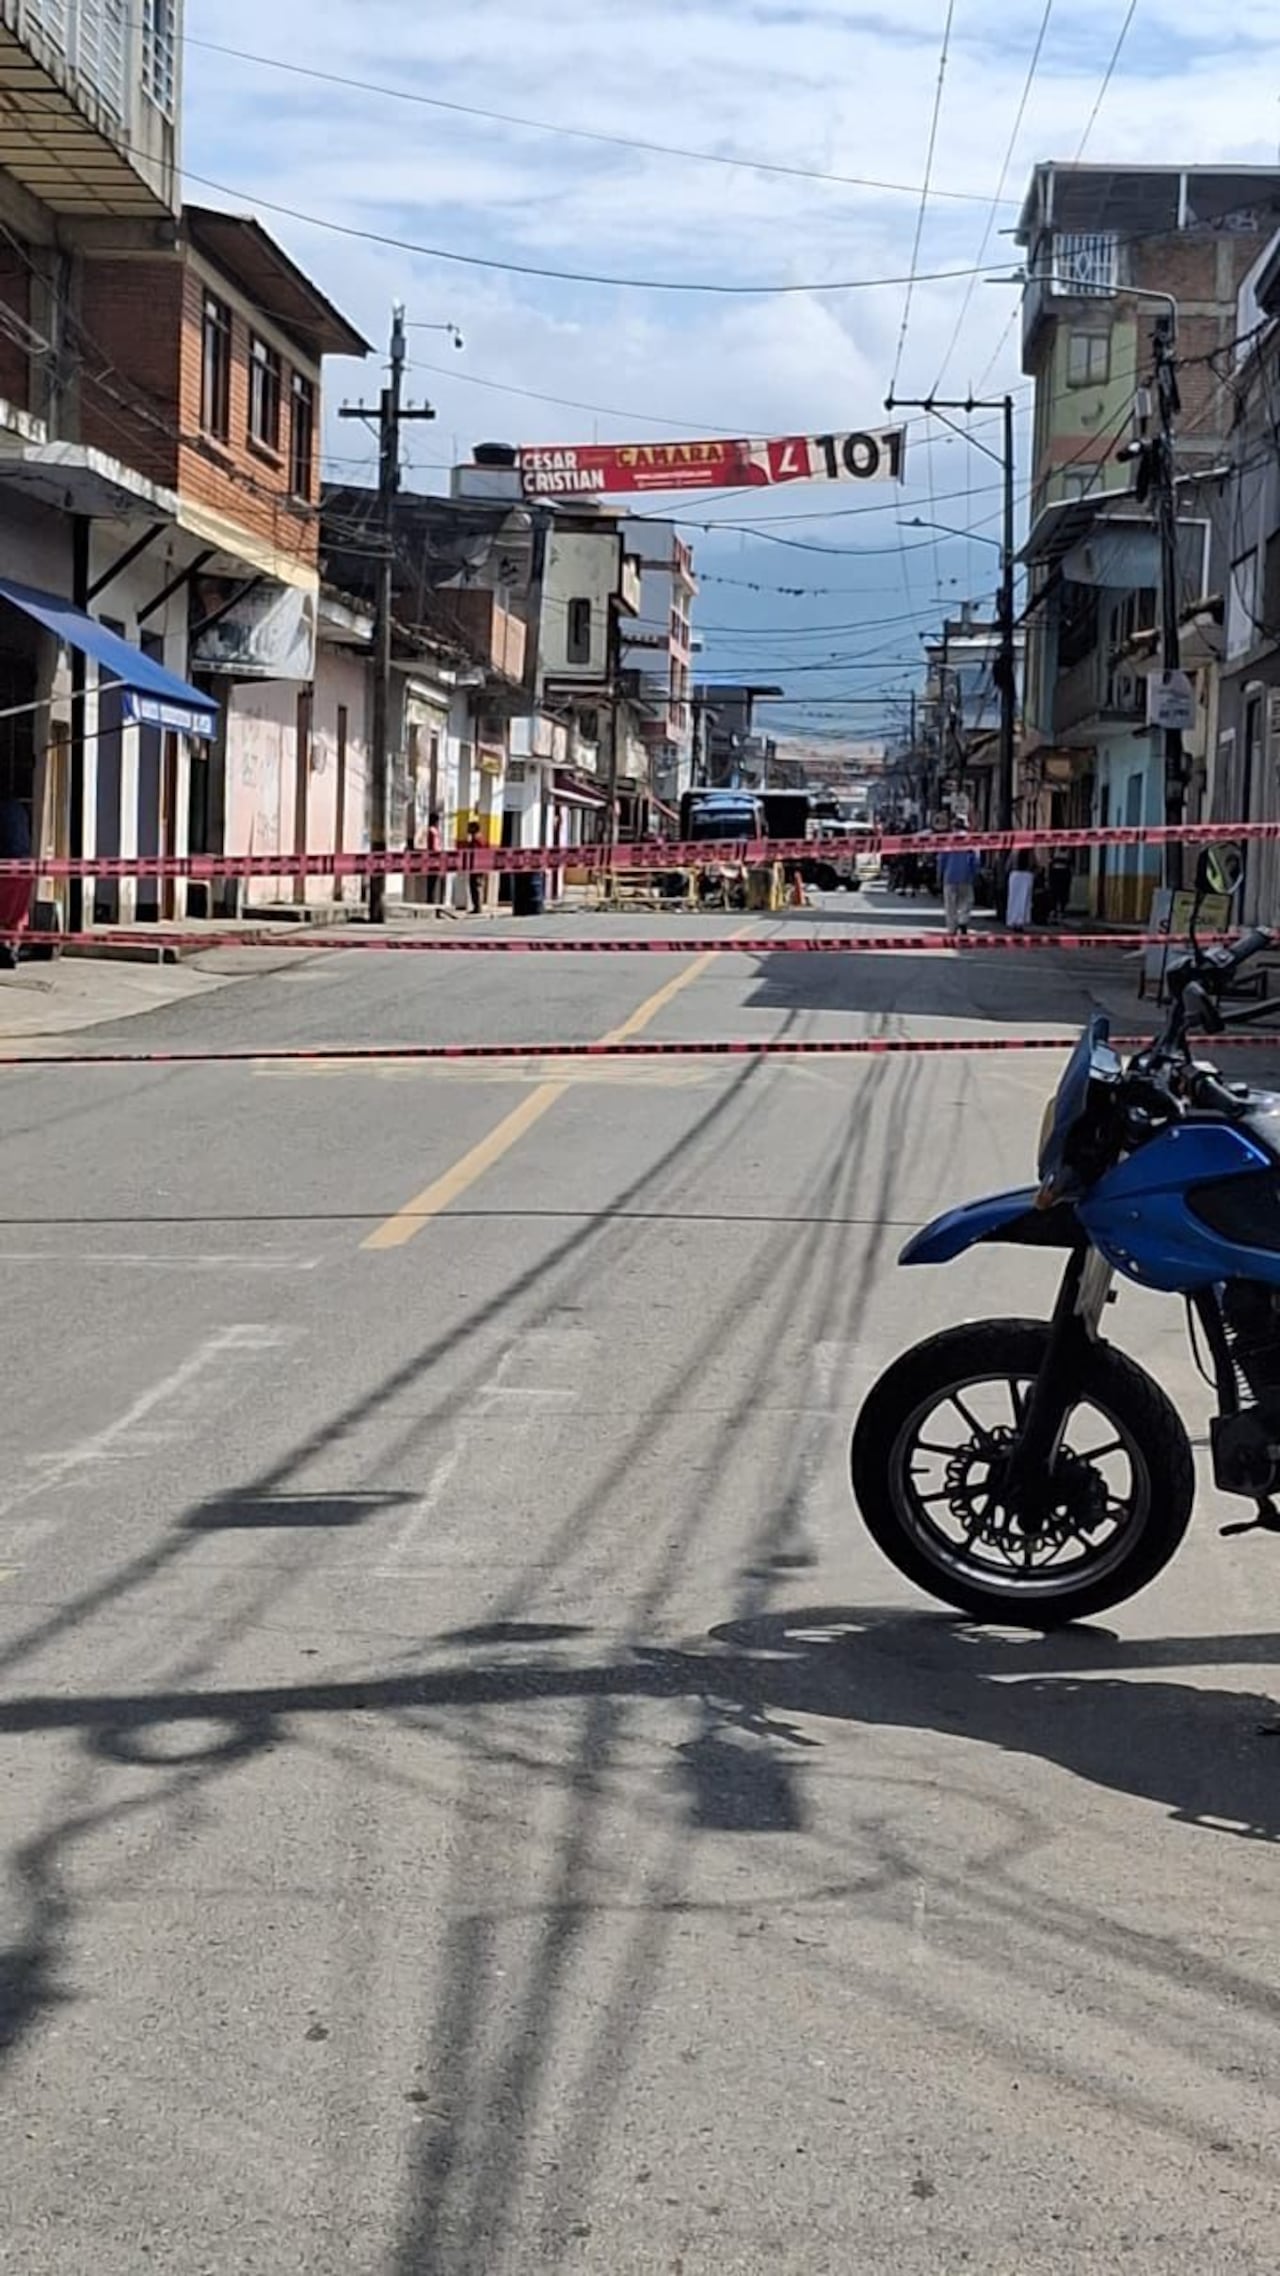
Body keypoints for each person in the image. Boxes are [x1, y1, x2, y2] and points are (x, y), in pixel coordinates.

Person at [938, 826, 980, 938]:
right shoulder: (970, 841)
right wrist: (974, 873)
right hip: (965, 876)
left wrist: (940, 875)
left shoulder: (948, 841)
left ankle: (952, 928)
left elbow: (941, 860)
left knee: (950, 905)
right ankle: (963, 920)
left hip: (949, 876)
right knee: (967, 900)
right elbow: (975, 860)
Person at [1005, 849, 1034, 933]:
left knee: (1014, 899)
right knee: (1024, 899)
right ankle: (1020, 921)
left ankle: (1013, 920)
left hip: (1015, 874)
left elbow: (1008, 865)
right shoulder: (1030, 852)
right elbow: (1033, 863)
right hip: (1026, 874)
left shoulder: (1014, 851)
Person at [1048, 848, 1073, 923]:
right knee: (1054, 893)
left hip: (1064, 873)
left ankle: (1062, 910)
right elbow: (1051, 861)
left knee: (1063, 893)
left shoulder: (1068, 851)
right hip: (1056, 873)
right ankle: (1054, 910)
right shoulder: (1054, 850)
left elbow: (1070, 862)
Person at [465, 816, 485, 915]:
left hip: (477, 866)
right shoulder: (476, 838)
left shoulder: (477, 839)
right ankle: (476, 906)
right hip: (475, 866)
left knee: (476, 886)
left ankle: (478, 907)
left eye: (469, 827)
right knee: (474, 886)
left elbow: (476, 853)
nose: (467, 830)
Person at [426, 809, 444, 906]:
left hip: (434, 859)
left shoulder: (432, 831)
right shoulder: (433, 831)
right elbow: (434, 847)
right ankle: (431, 901)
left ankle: (431, 900)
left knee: (432, 881)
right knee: (432, 881)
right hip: (434, 859)